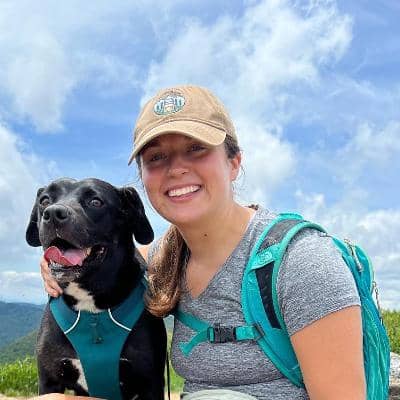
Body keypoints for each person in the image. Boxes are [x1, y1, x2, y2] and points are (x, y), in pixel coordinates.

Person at [39, 85, 365, 399]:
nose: (176, 168)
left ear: (234, 162)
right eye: (156, 156)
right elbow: (122, 256)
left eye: (196, 148)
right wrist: (65, 257)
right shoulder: (167, 257)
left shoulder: (302, 263)